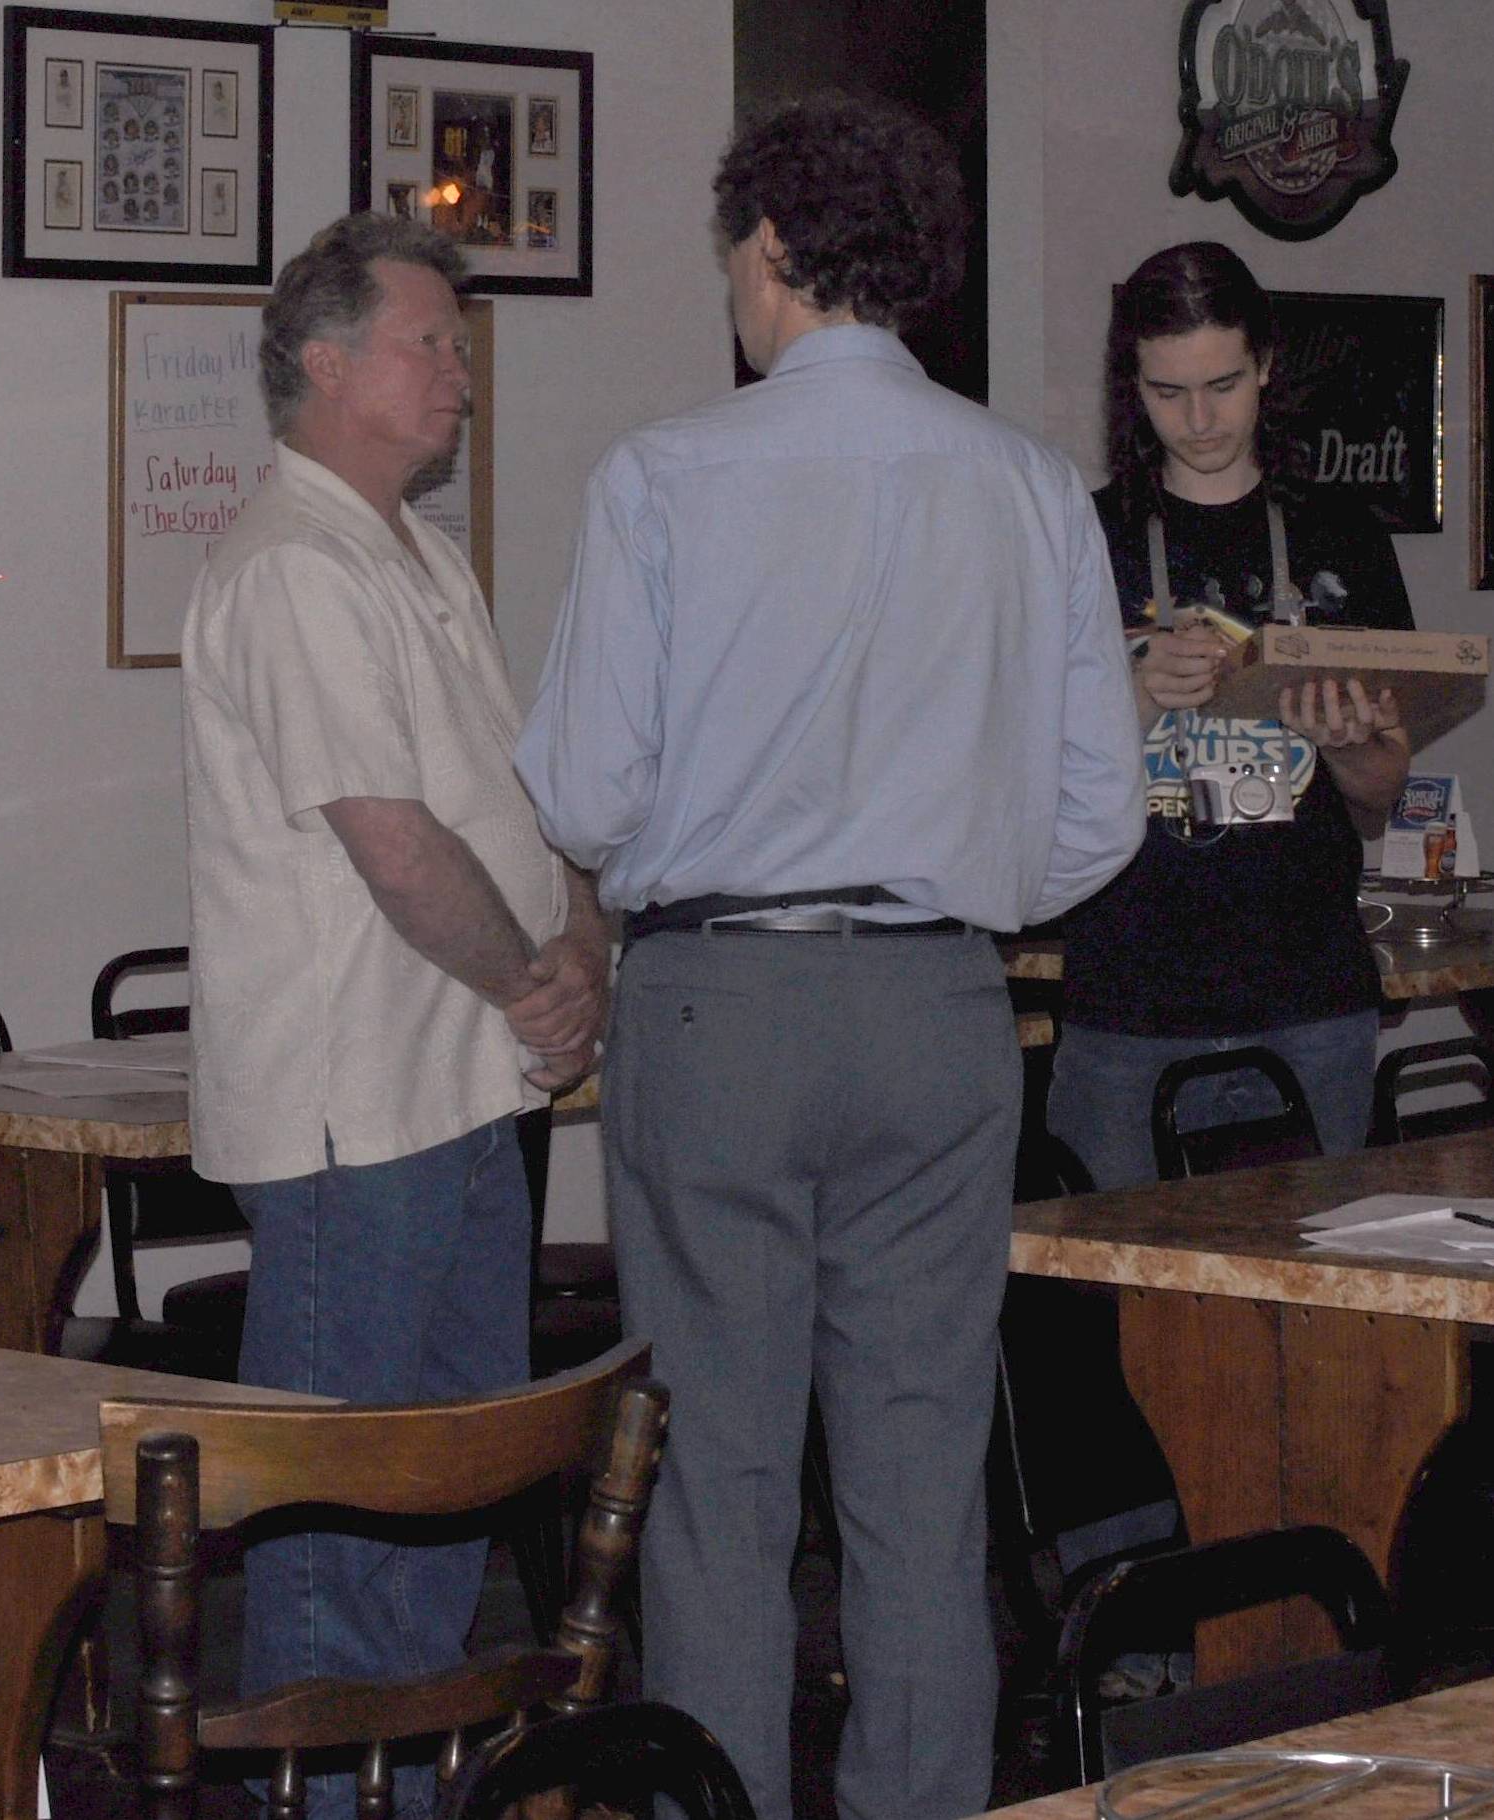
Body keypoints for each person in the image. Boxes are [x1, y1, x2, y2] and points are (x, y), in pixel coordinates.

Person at [516, 93, 1144, 1819]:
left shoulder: (663, 474)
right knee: (922, 1482)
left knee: (717, 1485)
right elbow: (1098, 816)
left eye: (733, 251)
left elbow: (582, 792)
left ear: (776, 251)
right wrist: (961, 883)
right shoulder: (1027, 484)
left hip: (719, 1006)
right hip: (939, 1004)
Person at [181, 211, 610, 1820]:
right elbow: (394, 844)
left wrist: (582, 940)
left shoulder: (413, 551)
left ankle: (413, 1798)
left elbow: (515, 804)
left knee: (442, 1508)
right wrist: (531, 979)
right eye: (428, 343)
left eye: (457, 346)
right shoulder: (291, 564)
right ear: (322, 362)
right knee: (342, 1534)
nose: (459, 376)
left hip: (462, 1098)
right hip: (353, 1124)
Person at [1052, 241, 1413, 1188]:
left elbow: (1382, 791)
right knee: (1117, 1282)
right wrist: (1134, 697)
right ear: (1132, 387)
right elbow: (1028, 780)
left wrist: (1346, 745)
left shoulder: (1345, 538)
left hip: (1311, 998)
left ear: (1266, 367)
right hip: (1126, 1004)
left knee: (1314, 1274)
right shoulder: (1083, 538)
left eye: (1223, 385)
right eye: (1168, 392)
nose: (1200, 420)